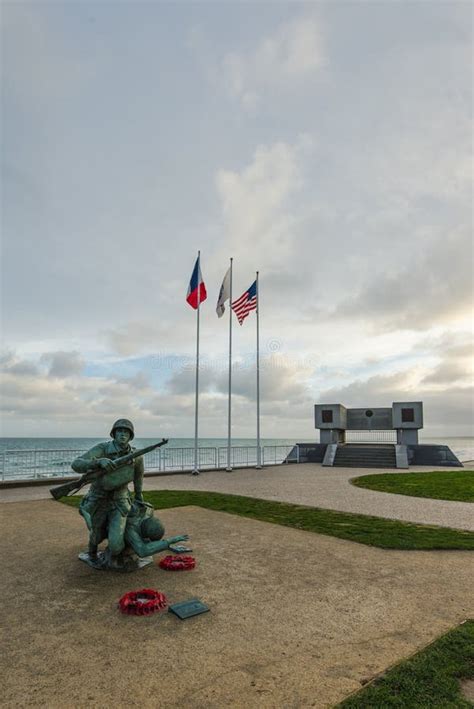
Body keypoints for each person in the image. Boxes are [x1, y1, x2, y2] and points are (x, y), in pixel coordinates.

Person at [73, 418, 143, 569]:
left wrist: (139, 496)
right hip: (98, 499)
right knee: (95, 536)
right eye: (120, 431)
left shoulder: (136, 456)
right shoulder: (102, 449)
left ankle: (118, 550)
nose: (123, 434)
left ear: (131, 436)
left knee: (116, 546)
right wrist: (98, 462)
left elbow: (138, 477)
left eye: (126, 432)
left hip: (120, 501)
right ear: (114, 433)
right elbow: (76, 464)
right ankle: (92, 553)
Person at [123, 500, 189, 558]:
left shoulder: (148, 511)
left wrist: (167, 545)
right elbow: (142, 551)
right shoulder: (131, 528)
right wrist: (170, 541)